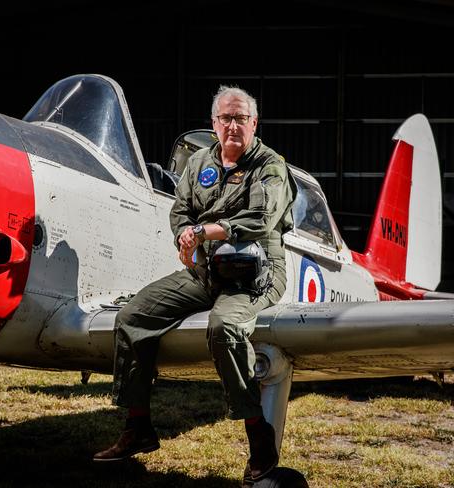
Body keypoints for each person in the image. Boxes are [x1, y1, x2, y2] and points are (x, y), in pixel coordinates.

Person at [93, 85, 297, 487]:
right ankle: (138, 427)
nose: (233, 125)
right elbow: (181, 208)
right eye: (226, 118)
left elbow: (260, 219)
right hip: (206, 272)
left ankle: (259, 437)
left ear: (254, 124)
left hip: (257, 272)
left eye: (241, 118)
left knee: (225, 328)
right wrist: (186, 233)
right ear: (214, 123)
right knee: (133, 316)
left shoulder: (271, 165)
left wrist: (205, 231)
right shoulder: (200, 161)